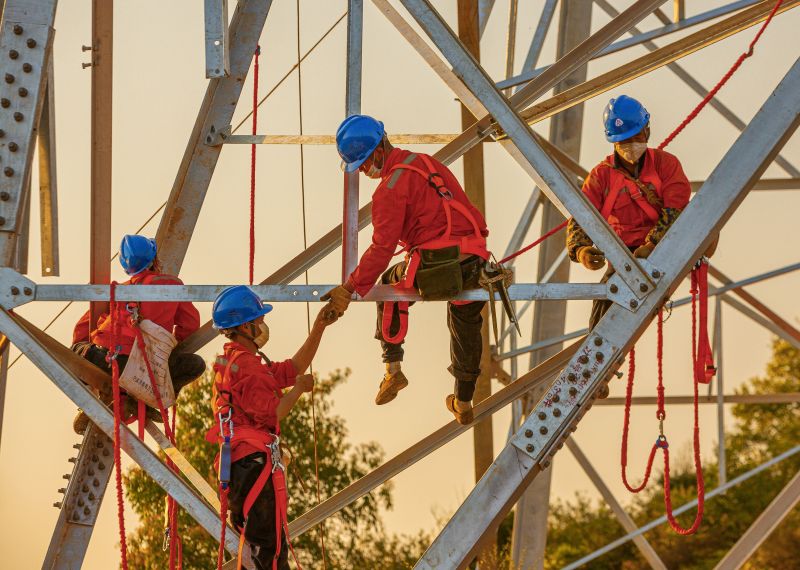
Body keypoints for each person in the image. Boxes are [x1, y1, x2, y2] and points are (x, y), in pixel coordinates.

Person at [322, 114, 490, 425]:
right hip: (475, 258)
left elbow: (382, 249)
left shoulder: (390, 188)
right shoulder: (426, 163)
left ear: (377, 151)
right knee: (466, 314)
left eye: (361, 163)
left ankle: (392, 369)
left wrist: (348, 289)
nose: (362, 170)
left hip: (438, 262)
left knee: (389, 287)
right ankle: (464, 400)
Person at [206, 285, 337, 570]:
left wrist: (318, 328)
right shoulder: (249, 369)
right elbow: (274, 412)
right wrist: (298, 391)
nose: (263, 325)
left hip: (238, 468)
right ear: (245, 326)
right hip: (253, 467)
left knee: (255, 553)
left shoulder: (235, 362)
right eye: (259, 320)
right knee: (269, 551)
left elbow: (292, 368)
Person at [566, 95, 692, 330]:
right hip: (623, 257)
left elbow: (676, 209)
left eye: (636, 137)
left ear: (647, 132)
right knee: (601, 323)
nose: (631, 145)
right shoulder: (601, 176)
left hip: (664, 249)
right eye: (624, 141)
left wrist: (652, 246)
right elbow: (581, 217)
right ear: (613, 142)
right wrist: (581, 250)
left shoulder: (665, 165)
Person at [71, 234, 205, 434]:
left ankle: (92, 400)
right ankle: (153, 401)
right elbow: (190, 325)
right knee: (195, 364)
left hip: (109, 361)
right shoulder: (171, 286)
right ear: (154, 259)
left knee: (77, 351)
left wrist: (86, 346)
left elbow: (82, 328)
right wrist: (166, 355)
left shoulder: (118, 291)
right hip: (146, 368)